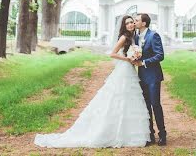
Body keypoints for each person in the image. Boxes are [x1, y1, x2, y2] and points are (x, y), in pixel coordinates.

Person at [34, 15, 150, 148]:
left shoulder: (133, 37)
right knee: (119, 97)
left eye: (131, 22)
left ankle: (130, 133)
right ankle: (113, 133)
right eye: (127, 23)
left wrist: (134, 57)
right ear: (124, 25)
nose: (130, 24)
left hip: (129, 69)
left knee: (130, 98)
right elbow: (112, 53)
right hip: (124, 69)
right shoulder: (124, 37)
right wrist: (128, 59)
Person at [134, 13, 167, 146]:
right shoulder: (136, 37)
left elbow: (160, 55)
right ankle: (150, 135)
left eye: (137, 20)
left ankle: (162, 134)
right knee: (146, 105)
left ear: (144, 23)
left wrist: (144, 62)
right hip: (142, 76)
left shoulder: (154, 36)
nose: (134, 22)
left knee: (155, 104)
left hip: (153, 75)